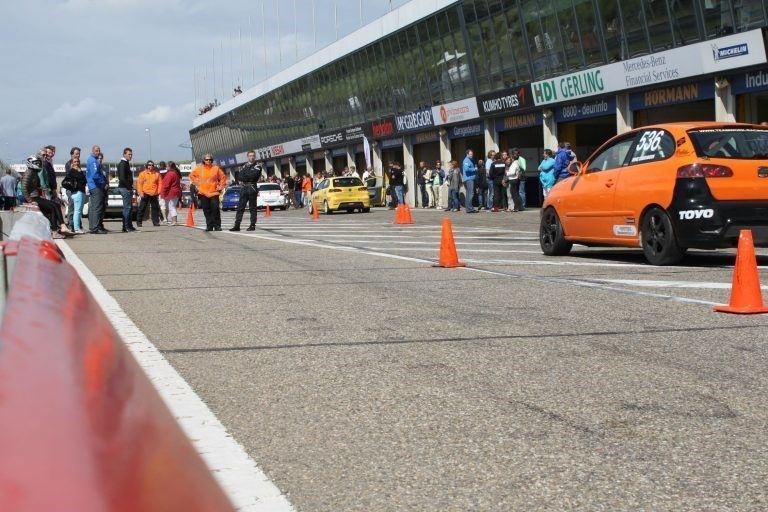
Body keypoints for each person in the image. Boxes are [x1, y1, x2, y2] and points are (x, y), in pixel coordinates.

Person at [22, 154, 74, 238]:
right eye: (36, 162)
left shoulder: (34, 172)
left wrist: (41, 188)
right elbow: (23, 187)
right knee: (52, 208)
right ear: (30, 163)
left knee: (56, 205)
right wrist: (30, 201)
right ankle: (55, 231)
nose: (38, 164)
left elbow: (35, 185)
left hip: (37, 197)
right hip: (33, 198)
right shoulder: (29, 172)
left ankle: (62, 226)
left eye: (38, 162)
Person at [190, 154, 227, 231]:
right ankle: (209, 226)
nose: (208, 161)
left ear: (212, 160)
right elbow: (191, 176)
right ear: (204, 160)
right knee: (206, 210)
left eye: (210, 159)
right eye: (206, 159)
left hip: (214, 192)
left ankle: (217, 226)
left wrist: (220, 186)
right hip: (203, 193)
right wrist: (198, 184)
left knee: (215, 209)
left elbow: (223, 177)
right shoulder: (199, 169)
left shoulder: (216, 168)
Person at [230, 150, 262, 231]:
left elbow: (253, 176)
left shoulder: (257, 166)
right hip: (244, 187)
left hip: (252, 187)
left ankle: (252, 225)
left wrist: (246, 175)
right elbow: (239, 176)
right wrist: (246, 175)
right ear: (247, 157)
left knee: (252, 208)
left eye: (253, 155)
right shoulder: (244, 166)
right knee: (240, 207)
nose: (252, 157)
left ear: (255, 157)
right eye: (250, 155)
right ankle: (237, 225)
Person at [86, 145, 108, 234]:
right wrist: (103, 183)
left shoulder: (91, 160)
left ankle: (92, 226)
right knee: (97, 208)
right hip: (96, 186)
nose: (98, 152)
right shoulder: (93, 161)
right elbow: (95, 175)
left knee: (93, 208)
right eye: (96, 150)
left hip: (93, 186)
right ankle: (95, 228)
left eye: (98, 150)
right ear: (92, 151)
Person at [63, 156, 87, 233]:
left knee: (79, 211)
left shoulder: (79, 170)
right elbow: (81, 178)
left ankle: (77, 227)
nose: (76, 163)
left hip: (81, 192)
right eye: (75, 162)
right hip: (77, 192)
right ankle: (76, 228)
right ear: (72, 163)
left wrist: (80, 171)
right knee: (77, 211)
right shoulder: (72, 171)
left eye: (78, 162)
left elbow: (84, 180)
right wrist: (79, 171)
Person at [116, 147, 137, 232]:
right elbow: (122, 178)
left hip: (127, 188)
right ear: (124, 154)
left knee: (130, 208)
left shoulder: (126, 163)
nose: (130, 156)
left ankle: (129, 226)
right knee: (127, 208)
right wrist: (128, 187)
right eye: (129, 154)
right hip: (124, 188)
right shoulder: (122, 164)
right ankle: (126, 227)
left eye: (131, 154)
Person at [136, 161, 162, 227]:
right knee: (142, 208)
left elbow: (160, 183)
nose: (151, 166)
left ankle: (156, 222)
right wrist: (140, 193)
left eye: (152, 165)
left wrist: (158, 191)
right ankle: (139, 222)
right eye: (149, 165)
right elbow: (139, 184)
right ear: (147, 166)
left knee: (155, 208)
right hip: (145, 193)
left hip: (154, 193)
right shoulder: (142, 174)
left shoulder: (157, 174)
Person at [64, 147, 81, 228]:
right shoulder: (68, 164)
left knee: (78, 208)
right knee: (72, 206)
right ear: (72, 154)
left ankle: (78, 225)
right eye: (76, 153)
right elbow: (70, 175)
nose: (78, 155)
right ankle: (71, 225)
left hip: (78, 188)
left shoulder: (78, 163)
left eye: (79, 154)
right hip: (71, 188)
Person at [161, 161, 183, 226]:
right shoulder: (175, 173)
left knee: (172, 207)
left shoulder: (170, 174)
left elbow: (166, 185)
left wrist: (163, 193)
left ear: (170, 167)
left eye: (167, 166)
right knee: (172, 206)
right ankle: (174, 221)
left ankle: (174, 221)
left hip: (172, 192)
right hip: (176, 192)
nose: (166, 167)